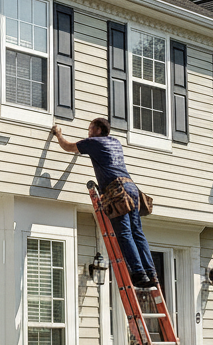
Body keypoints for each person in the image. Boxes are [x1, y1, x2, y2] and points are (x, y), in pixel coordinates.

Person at [52, 118, 159, 289]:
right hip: (132, 188)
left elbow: (69, 147)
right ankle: (151, 274)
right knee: (137, 233)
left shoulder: (94, 142)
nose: (88, 132)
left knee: (124, 233)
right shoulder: (115, 142)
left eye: (90, 128)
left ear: (98, 130)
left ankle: (139, 274)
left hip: (116, 190)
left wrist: (58, 134)